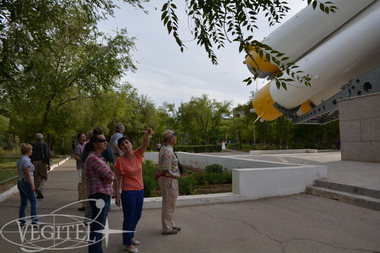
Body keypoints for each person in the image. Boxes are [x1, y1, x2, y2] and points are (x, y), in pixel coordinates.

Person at [114, 127, 153, 253]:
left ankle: (130, 237)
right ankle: (127, 243)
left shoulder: (137, 154)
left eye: (127, 142)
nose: (125, 145)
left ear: (131, 144)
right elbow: (117, 180)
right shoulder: (119, 161)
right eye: (122, 144)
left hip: (140, 190)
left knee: (137, 216)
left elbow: (145, 145)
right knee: (129, 217)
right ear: (120, 148)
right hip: (128, 192)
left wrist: (147, 135)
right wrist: (117, 195)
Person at [85, 134, 116, 253]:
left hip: (103, 195)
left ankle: (97, 250)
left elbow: (110, 175)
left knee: (100, 226)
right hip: (99, 195)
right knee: (97, 226)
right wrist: (109, 177)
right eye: (102, 140)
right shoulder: (93, 158)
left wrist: (109, 177)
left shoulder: (99, 158)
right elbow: (110, 175)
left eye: (105, 140)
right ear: (94, 143)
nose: (105, 142)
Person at [153, 130, 181, 235]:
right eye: (174, 136)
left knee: (169, 203)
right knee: (169, 204)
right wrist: (159, 174)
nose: (175, 138)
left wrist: (158, 174)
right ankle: (167, 228)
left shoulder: (164, 148)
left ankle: (170, 224)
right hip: (169, 179)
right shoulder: (168, 151)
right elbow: (165, 168)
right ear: (171, 139)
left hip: (167, 179)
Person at [17, 143, 39, 226]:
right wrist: (32, 184)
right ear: (28, 151)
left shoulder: (20, 159)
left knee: (23, 202)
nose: (32, 151)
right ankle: (34, 220)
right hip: (26, 182)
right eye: (31, 150)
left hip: (20, 182)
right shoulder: (26, 161)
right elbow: (27, 174)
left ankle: (22, 219)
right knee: (33, 201)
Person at [30, 133, 50, 199]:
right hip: (42, 162)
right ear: (42, 138)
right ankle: (39, 188)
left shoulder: (33, 145)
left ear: (36, 138)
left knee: (35, 177)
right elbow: (47, 154)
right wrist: (48, 163)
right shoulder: (45, 144)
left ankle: (37, 192)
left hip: (33, 162)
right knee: (44, 177)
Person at [74, 132, 86, 211]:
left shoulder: (85, 145)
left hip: (85, 166)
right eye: (82, 136)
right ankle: (81, 197)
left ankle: (81, 196)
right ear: (79, 138)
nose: (84, 137)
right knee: (81, 182)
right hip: (81, 166)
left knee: (82, 182)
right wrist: (83, 160)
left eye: (84, 136)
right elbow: (76, 156)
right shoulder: (79, 146)